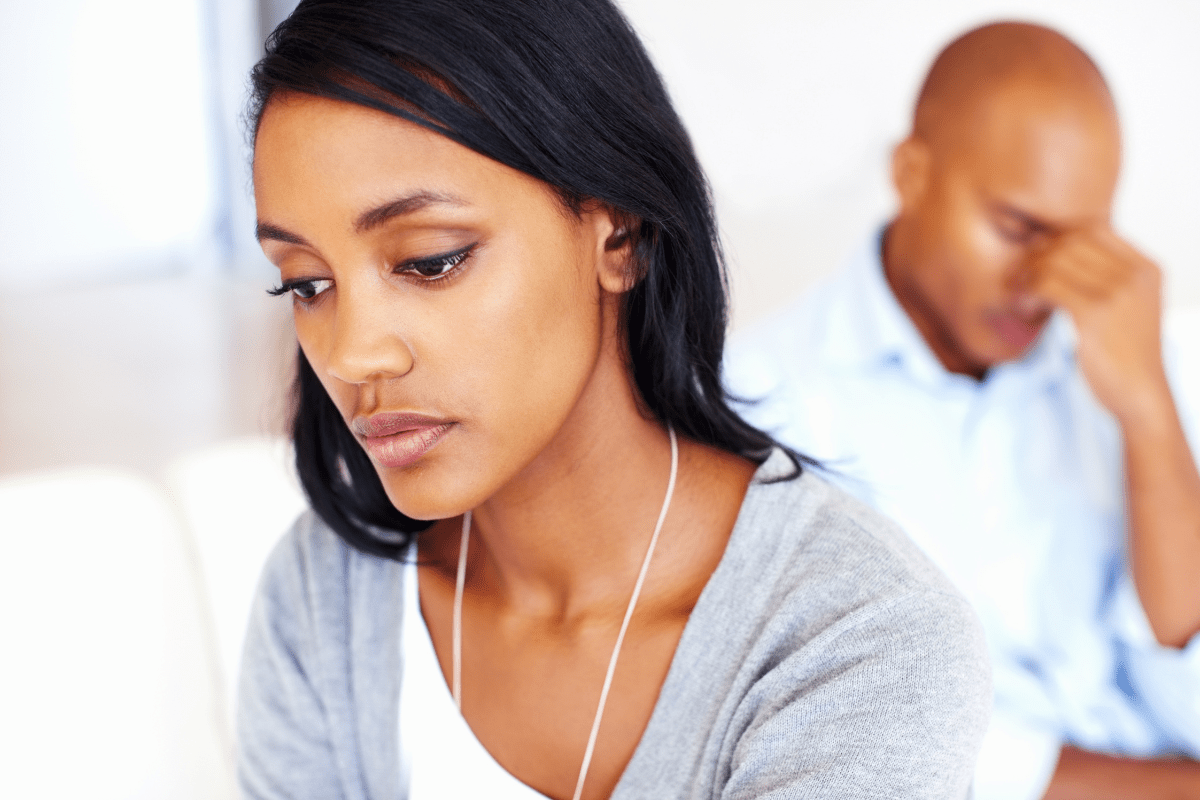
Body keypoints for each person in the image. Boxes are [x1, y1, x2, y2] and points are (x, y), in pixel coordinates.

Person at [237, 1, 990, 798]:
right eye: (307, 283)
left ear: (619, 234)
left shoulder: (857, 642)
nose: (355, 353)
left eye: (430, 261)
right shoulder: (326, 600)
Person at [725, 20, 1200, 800]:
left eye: (1085, 240)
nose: (1046, 280)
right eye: (1018, 229)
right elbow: (898, 739)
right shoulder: (761, 408)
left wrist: (1150, 416)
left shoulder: (1131, 359)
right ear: (911, 174)